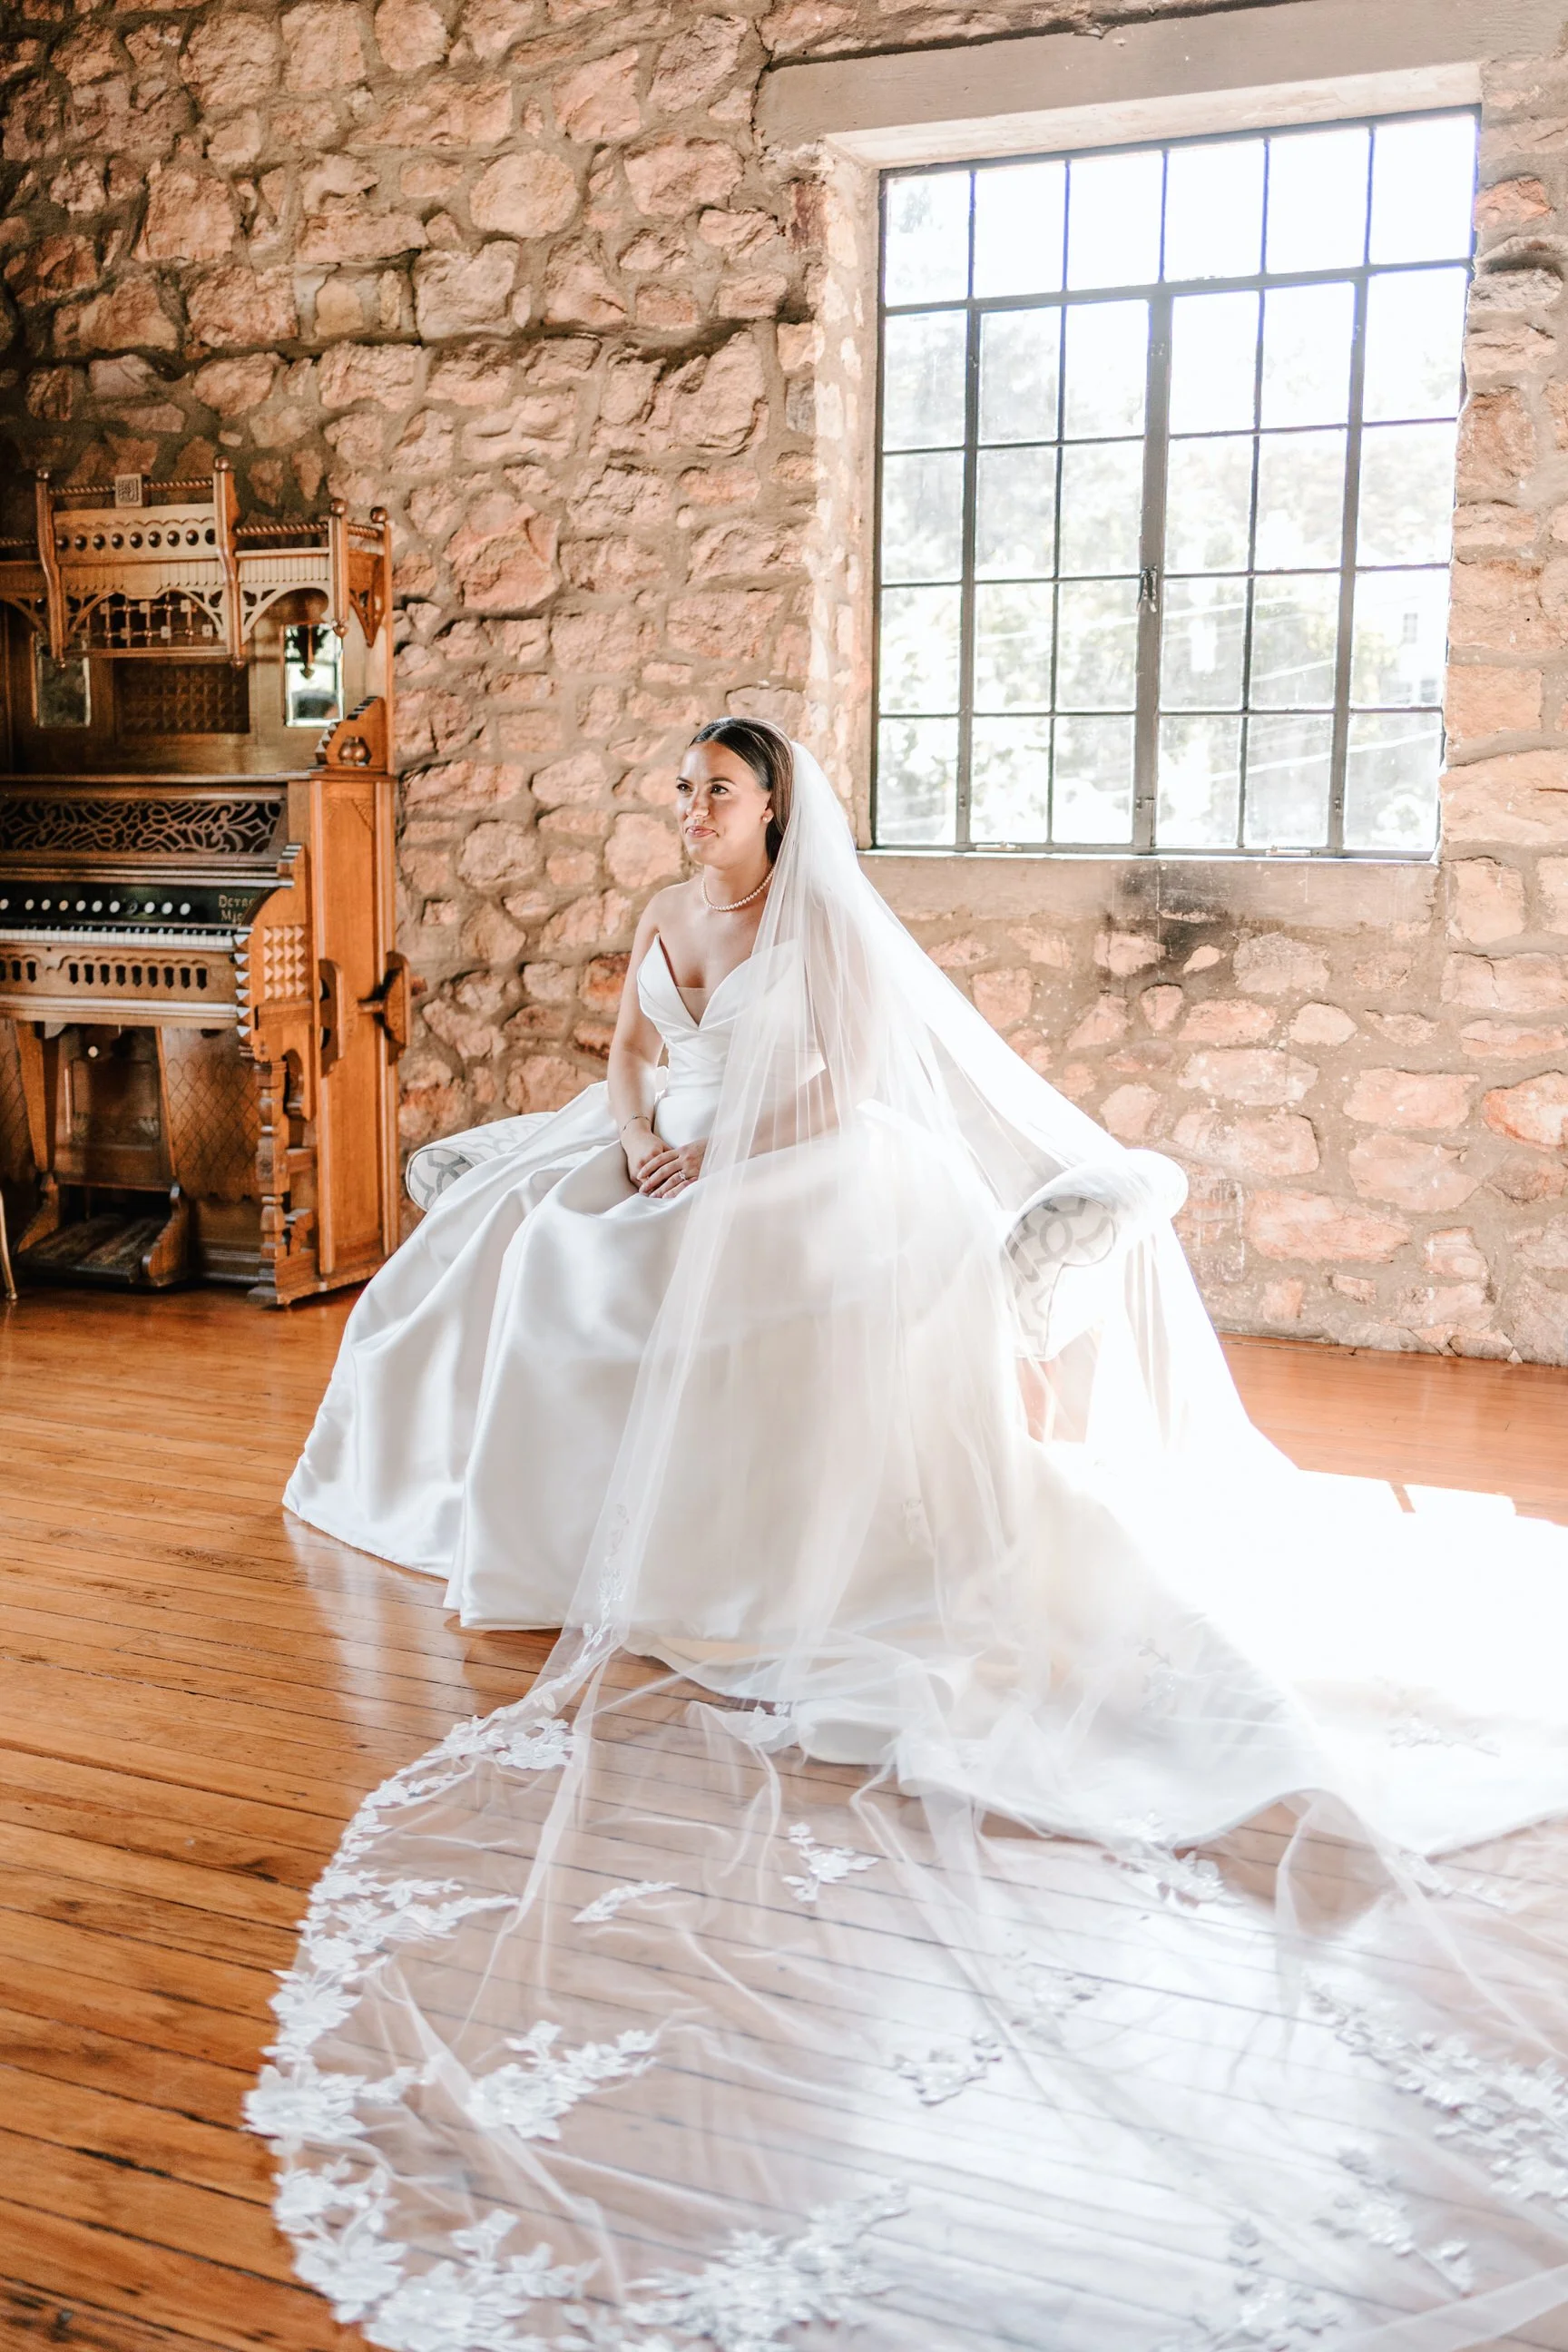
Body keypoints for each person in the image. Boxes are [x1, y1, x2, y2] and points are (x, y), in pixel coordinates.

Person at [265, 723, 1568, 2352]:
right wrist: (639, 1138)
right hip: (674, 1154)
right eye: (679, 789)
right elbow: (619, 1050)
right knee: (547, 1251)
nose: (691, 811)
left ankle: (697, 1550)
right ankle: (533, 1537)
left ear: (774, 809)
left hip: (804, 1176)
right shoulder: (672, 914)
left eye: (716, 792)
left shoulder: (818, 926)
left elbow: (829, 1093)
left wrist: (711, 1164)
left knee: (624, 1278)